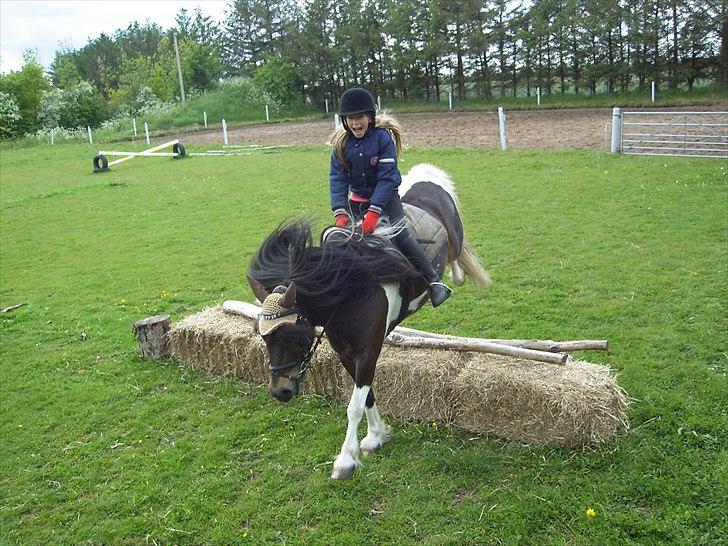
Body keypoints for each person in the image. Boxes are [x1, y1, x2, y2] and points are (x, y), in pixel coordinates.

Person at [329, 87, 452, 307]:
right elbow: (337, 179)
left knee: (402, 235)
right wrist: (339, 211)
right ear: (344, 120)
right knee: (338, 240)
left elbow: (387, 179)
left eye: (360, 117)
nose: (355, 123)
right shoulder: (341, 145)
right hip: (356, 203)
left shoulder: (383, 139)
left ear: (370, 117)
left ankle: (434, 282)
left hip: (387, 201)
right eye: (350, 118)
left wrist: (374, 212)